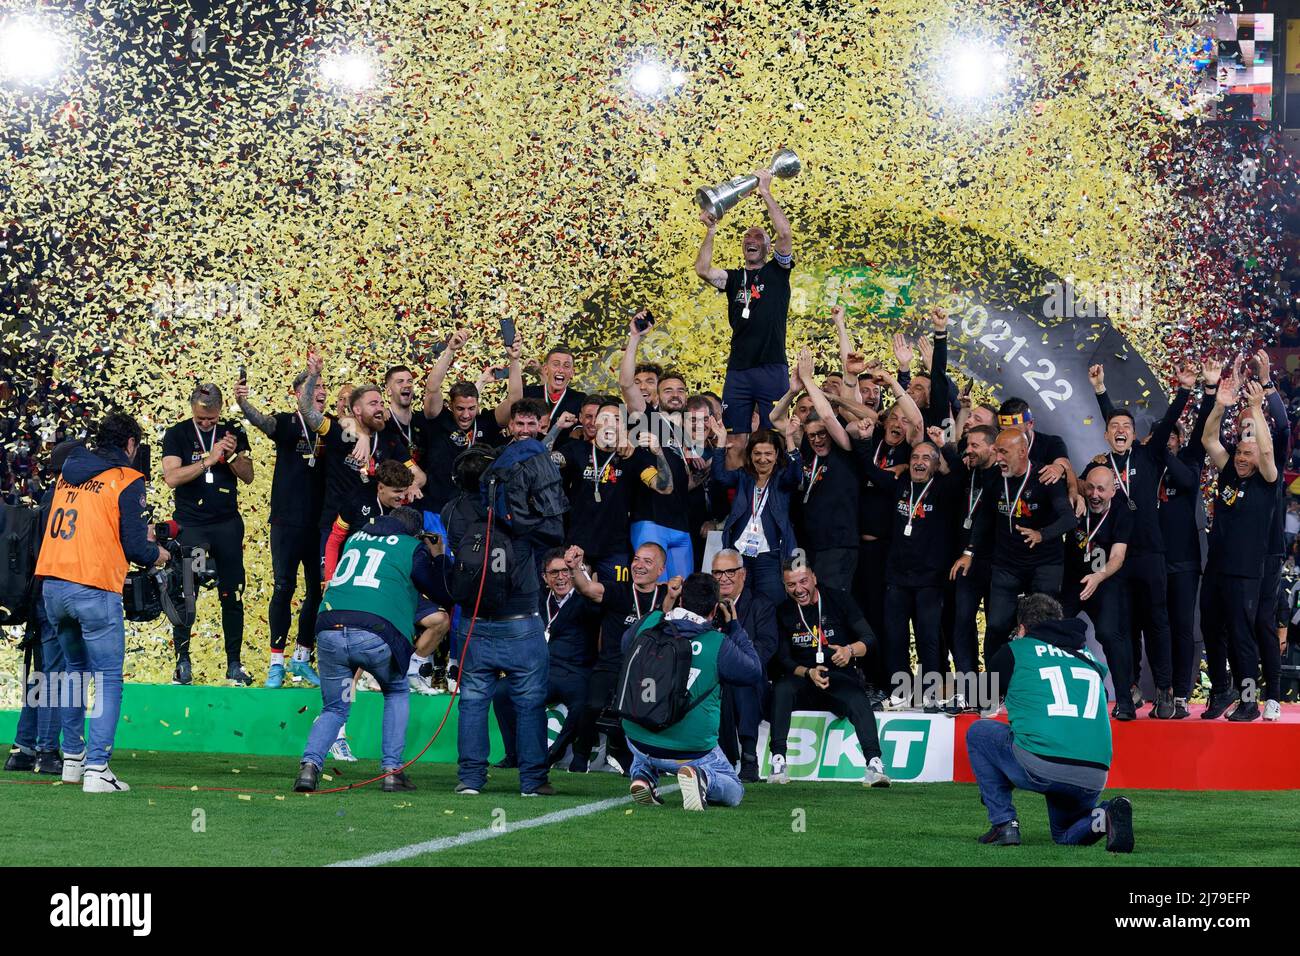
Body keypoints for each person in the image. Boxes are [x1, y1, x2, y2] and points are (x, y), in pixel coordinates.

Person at [36, 412, 170, 792]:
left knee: (73, 673)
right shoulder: (126, 478)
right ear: (130, 444)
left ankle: (73, 761)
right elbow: (135, 546)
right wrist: (158, 553)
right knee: (108, 678)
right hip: (92, 587)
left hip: (53, 586)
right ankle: (97, 769)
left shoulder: (67, 472)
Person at [293, 507, 447, 793]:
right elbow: (439, 589)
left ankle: (309, 768)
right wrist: (437, 555)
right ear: (415, 533)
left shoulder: (356, 538)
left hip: (330, 630)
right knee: (396, 691)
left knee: (336, 707)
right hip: (374, 634)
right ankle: (392, 770)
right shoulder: (411, 546)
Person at [966, 594, 1132, 852]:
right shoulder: (1089, 658)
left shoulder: (1016, 650)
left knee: (979, 733)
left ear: (1022, 628)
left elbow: (980, 700)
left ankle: (1004, 823)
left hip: (1041, 763)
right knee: (1065, 834)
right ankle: (1105, 814)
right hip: (1093, 773)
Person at [445, 429, 560, 796]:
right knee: (529, 702)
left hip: (474, 622)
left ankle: (472, 780)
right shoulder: (516, 508)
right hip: (520, 620)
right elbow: (552, 533)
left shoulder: (451, 513)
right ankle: (532, 781)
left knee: (474, 701)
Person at [1088, 361, 1194, 718]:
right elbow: (1111, 420)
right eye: (1114, 427)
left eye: (1126, 427)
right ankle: (1130, 689)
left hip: (1151, 553)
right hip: (1117, 557)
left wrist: (1183, 391)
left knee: (1158, 624)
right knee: (1125, 626)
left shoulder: (1149, 455)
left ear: (1135, 434)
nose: (1120, 431)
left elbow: (1165, 426)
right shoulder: (1101, 467)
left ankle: (1164, 690)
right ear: (1106, 435)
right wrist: (1100, 391)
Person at [623, 573, 763, 811]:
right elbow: (753, 671)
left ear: (680, 601)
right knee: (735, 789)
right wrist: (734, 626)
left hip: (637, 738)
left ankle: (643, 775)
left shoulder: (651, 624)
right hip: (690, 750)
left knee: (650, 708)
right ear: (713, 611)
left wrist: (664, 604)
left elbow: (625, 644)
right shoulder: (717, 643)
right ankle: (703, 778)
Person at [694, 168, 794, 467]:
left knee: (771, 435)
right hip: (738, 369)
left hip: (771, 366)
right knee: (736, 438)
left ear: (766, 246)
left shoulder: (778, 271)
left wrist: (765, 192)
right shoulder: (734, 278)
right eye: (746, 237)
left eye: (758, 236)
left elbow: (785, 233)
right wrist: (711, 231)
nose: (750, 240)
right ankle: (735, 499)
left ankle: (770, 499)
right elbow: (702, 270)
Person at [236, 371, 327, 688]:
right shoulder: (288, 424)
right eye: (313, 387)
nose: (320, 392)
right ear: (298, 394)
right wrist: (241, 402)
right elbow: (260, 421)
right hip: (287, 523)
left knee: (317, 591)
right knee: (284, 587)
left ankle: (301, 658)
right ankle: (276, 663)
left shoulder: (329, 429)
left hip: (320, 526)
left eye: (323, 387)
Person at [161, 383, 255, 685]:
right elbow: (172, 478)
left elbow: (249, 476)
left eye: (211, 419)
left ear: (220, 410)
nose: (206, 424)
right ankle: (183, 662)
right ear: (192, 409)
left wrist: (229, 457)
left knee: (232, 593)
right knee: (188, 591)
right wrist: (208, 461)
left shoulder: (233, 431)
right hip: (193, 529)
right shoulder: (177, 434)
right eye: (201, 419)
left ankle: (234, 663)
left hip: (226, 527)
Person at [768, 560, 891, 787]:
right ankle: (778, 761)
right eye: (791, 584)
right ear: (785, 586)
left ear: (814, 578)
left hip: (839, 676)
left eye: (803, 581)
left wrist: (849, 650)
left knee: (858, 699)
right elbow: (783, 660)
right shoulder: (783, 611)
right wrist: (808, 672)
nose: (798, 589)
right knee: (782, 689)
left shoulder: (839, 599)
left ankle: (874, 763)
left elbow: (869, 639)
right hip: (804, 679)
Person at [1201, 374, 1281, 722]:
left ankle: (1249, 702)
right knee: (1209, 628)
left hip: (1246, 572)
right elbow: (1208, 438)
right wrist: (1220, 404)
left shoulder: (1267, 481)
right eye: (1239, 452)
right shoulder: (1229, 471)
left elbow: (1265, 449)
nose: (1242, 457)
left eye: (1248, 453)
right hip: (1216, 567)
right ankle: (1221, 690)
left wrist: (1255, 407)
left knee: (1241, 637)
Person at [860, 434, 961, 707]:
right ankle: (900, 693)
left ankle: (931, 695)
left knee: (928, 637)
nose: (919, 462)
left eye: (926, 458)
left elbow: (961, 472)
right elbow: (869, 469)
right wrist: (865, 440)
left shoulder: (945, 488)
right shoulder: (900, 484)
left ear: (936, 465)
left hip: (930, 579)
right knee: (895, 637)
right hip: (897, 577)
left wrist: (943, 446)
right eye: (915, 457)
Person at [298, 352, 426, 561]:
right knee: (331, 586)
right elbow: (306, 410)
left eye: (380, 403)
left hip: (375, 527)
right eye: (373, 404)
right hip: (336, 525)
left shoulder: (389, 438)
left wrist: (412, 485)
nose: (380, 408)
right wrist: (313, 376)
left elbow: (419, 475)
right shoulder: (341, 432)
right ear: (357, 410)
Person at [492, 548, 602, 769]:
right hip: (541, 670)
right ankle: (514, 754)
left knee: (583, 705)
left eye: (565, 571)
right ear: (544, 577)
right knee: (502, 692)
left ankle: (554, 753)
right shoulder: (536, 599)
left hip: (576, 672)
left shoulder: (585, 599)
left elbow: (595, 601)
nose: (560, 577)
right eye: (554, 573)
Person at [566, 541, 668, 774]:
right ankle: (581, 753)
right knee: (593, 705)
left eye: (647, 561)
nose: (639, 565)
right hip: (612, 665)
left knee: (650, 710)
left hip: (646, 670)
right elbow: (588, 588)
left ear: (660, 570)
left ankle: (636, 756)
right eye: (636, 559)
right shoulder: (618, 590)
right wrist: (575, 568)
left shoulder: (665, 594)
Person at [974, 427, 1075, 662]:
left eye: (1003, 452)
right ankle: (992, 687)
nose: (998, 458)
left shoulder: (1045, 477)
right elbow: (984, 518)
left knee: (1044, 625)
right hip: (1007, 563)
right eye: (996, 451)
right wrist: (969, 551)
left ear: (1022, 452)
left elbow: (1068, 518)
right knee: (997, 625)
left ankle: (1045, 678)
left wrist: (1042, 534)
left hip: (1045, 562)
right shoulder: (993, 477)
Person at [555, 397, 672, 586]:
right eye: (605, 417)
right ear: (596, 422)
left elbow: (664, 487)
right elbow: (546, 461)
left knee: (615, 602)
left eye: (617, 419)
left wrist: (658, 453)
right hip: (577, 545)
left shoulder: (634, 456)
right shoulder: (576, 449)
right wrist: (557, 429)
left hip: (615, 548)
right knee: (577, 602)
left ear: (624, 426)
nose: (611, 423)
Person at [1060, 462, 1133, 716]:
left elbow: (1118, 556)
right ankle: (1086, 683)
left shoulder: (1122, 512)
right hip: (1072, 581)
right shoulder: (1076, 503)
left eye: (1101, 489)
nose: (1095, 495)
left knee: (1110, 635)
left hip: (1104, 581)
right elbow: (1064, 468)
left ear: (1113, 490)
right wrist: (1073, 490)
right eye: (1090, 488)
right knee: (1054, 632)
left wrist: (1098, 576)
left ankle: (1125, 701)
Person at [420, 328, 520, 513]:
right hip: (436, 509)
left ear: (477, 405)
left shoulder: (485, 423)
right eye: (460, 409)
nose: (466, 415)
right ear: (450, 406)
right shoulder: (439, 420)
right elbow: (432, 388)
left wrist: (514, 360)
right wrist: (450, 350)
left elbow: (514, 402)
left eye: (471, 409)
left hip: (476, 511)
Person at [709, 419, 802, 607]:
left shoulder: (782, 479)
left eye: (768, 453)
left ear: (776, 455)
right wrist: (721, 442)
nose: (762, 458)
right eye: (757, 453)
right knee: (738, 604)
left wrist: (790, 438)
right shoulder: (744, 476)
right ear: (750, 455)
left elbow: (796, 475)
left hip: (770, 556)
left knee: (771, 604)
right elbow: (719, 477)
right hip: (739, 554)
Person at [945, 424, 999, 710]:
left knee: (996, 628)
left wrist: (970, 550)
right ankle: (967, 689)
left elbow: (987, 517)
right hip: (966, 564)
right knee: (961, 623)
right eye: (968, 445)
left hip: (996, 562)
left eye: (975, 445)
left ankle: (994, 693)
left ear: (993, 447)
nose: (969, 449)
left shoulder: (1002, 476)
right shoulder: (968, 472)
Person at [711, 548, 778, 781]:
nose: (724, 578)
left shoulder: (761, 604)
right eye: (717, 573)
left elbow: (767, 646)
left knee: (744, 681)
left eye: (730, 571)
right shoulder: (708, 606)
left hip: (750, 678)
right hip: (714, 675)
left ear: (743, 574)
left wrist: (735, 663)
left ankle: (749, 757)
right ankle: (720, 759)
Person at [524, 346, 586, 444]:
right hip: (527, 452)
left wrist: (578, 430)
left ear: (572, 373)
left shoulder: (580, 399)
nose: (561, 370)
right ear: (545, 369)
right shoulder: (528, 394)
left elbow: (583, 430)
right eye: (556, 364)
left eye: (566, 366)